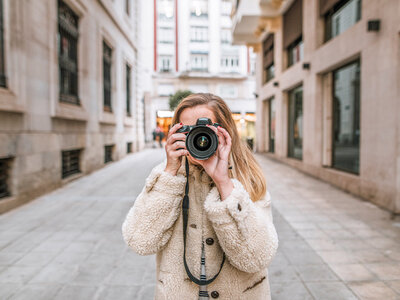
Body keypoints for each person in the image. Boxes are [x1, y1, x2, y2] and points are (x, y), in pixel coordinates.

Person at [122, 93, 279, 300]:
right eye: (187, 131)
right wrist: (170, 173)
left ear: (225, 132)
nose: (198, 138)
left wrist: (225, 183)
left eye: (204, 131)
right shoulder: (168, 178)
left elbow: (257, 258)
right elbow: (140, 241)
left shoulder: (248, 178)